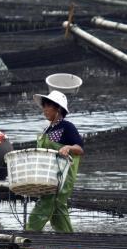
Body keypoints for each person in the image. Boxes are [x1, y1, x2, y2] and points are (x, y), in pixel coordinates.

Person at [25, 91, 84, 234]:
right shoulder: (47, 129)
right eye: (43, 106)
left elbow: (80, 148)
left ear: (57, 108)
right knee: (58, 212)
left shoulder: (67, 127)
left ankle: (25, 243)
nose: (44, 109)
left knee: (43, 207)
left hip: (61, 177)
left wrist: (68, 147)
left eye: (47, 106)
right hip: (47, 176)